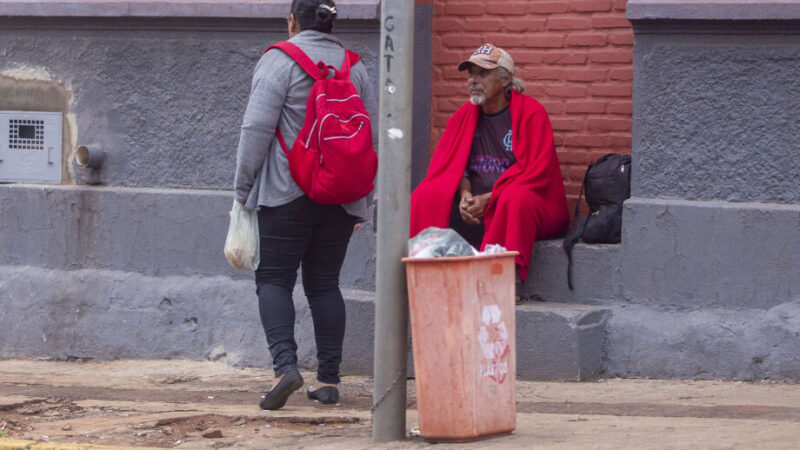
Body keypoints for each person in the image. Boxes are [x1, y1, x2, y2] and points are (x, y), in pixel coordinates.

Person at [233, 0, 376, 410]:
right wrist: (362, 200)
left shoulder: (280, 61)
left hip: (284, 194)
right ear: (331, 23)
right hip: (341, 198)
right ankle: (328, 381)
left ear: (292, 21)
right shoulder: (356, 67)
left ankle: (285, 368)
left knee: (274, 280)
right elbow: (371, 140)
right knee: (325, 285)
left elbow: (256, 129)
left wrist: (243, 190)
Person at [410, 44, 569, 291]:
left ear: (505, 79)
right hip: (475, 205)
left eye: (482, 73)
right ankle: (427, 271)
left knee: (516, 197)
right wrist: (465, 196)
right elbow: (455, 166)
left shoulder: (531, 113)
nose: (473, 80)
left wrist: (490, 198)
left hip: (521, 205)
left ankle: (506, 280)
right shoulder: (462, 116)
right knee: (426, 194)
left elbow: (536, 172)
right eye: (470, 74)